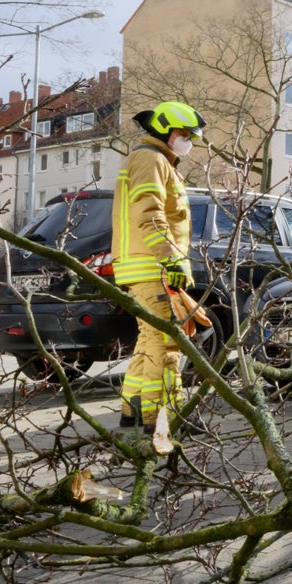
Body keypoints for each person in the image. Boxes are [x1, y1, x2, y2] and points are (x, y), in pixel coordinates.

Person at [113, 101, 206, 430]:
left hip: (145, 267)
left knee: (148, 340)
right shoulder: (151, 160)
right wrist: (172, 259)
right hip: (153, 267)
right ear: (166, 130)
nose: (189, 142)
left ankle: (133, 409)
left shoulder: (157, 161)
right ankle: (164, 418)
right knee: (166, 343)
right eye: (185, 134)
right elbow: (149, 216)